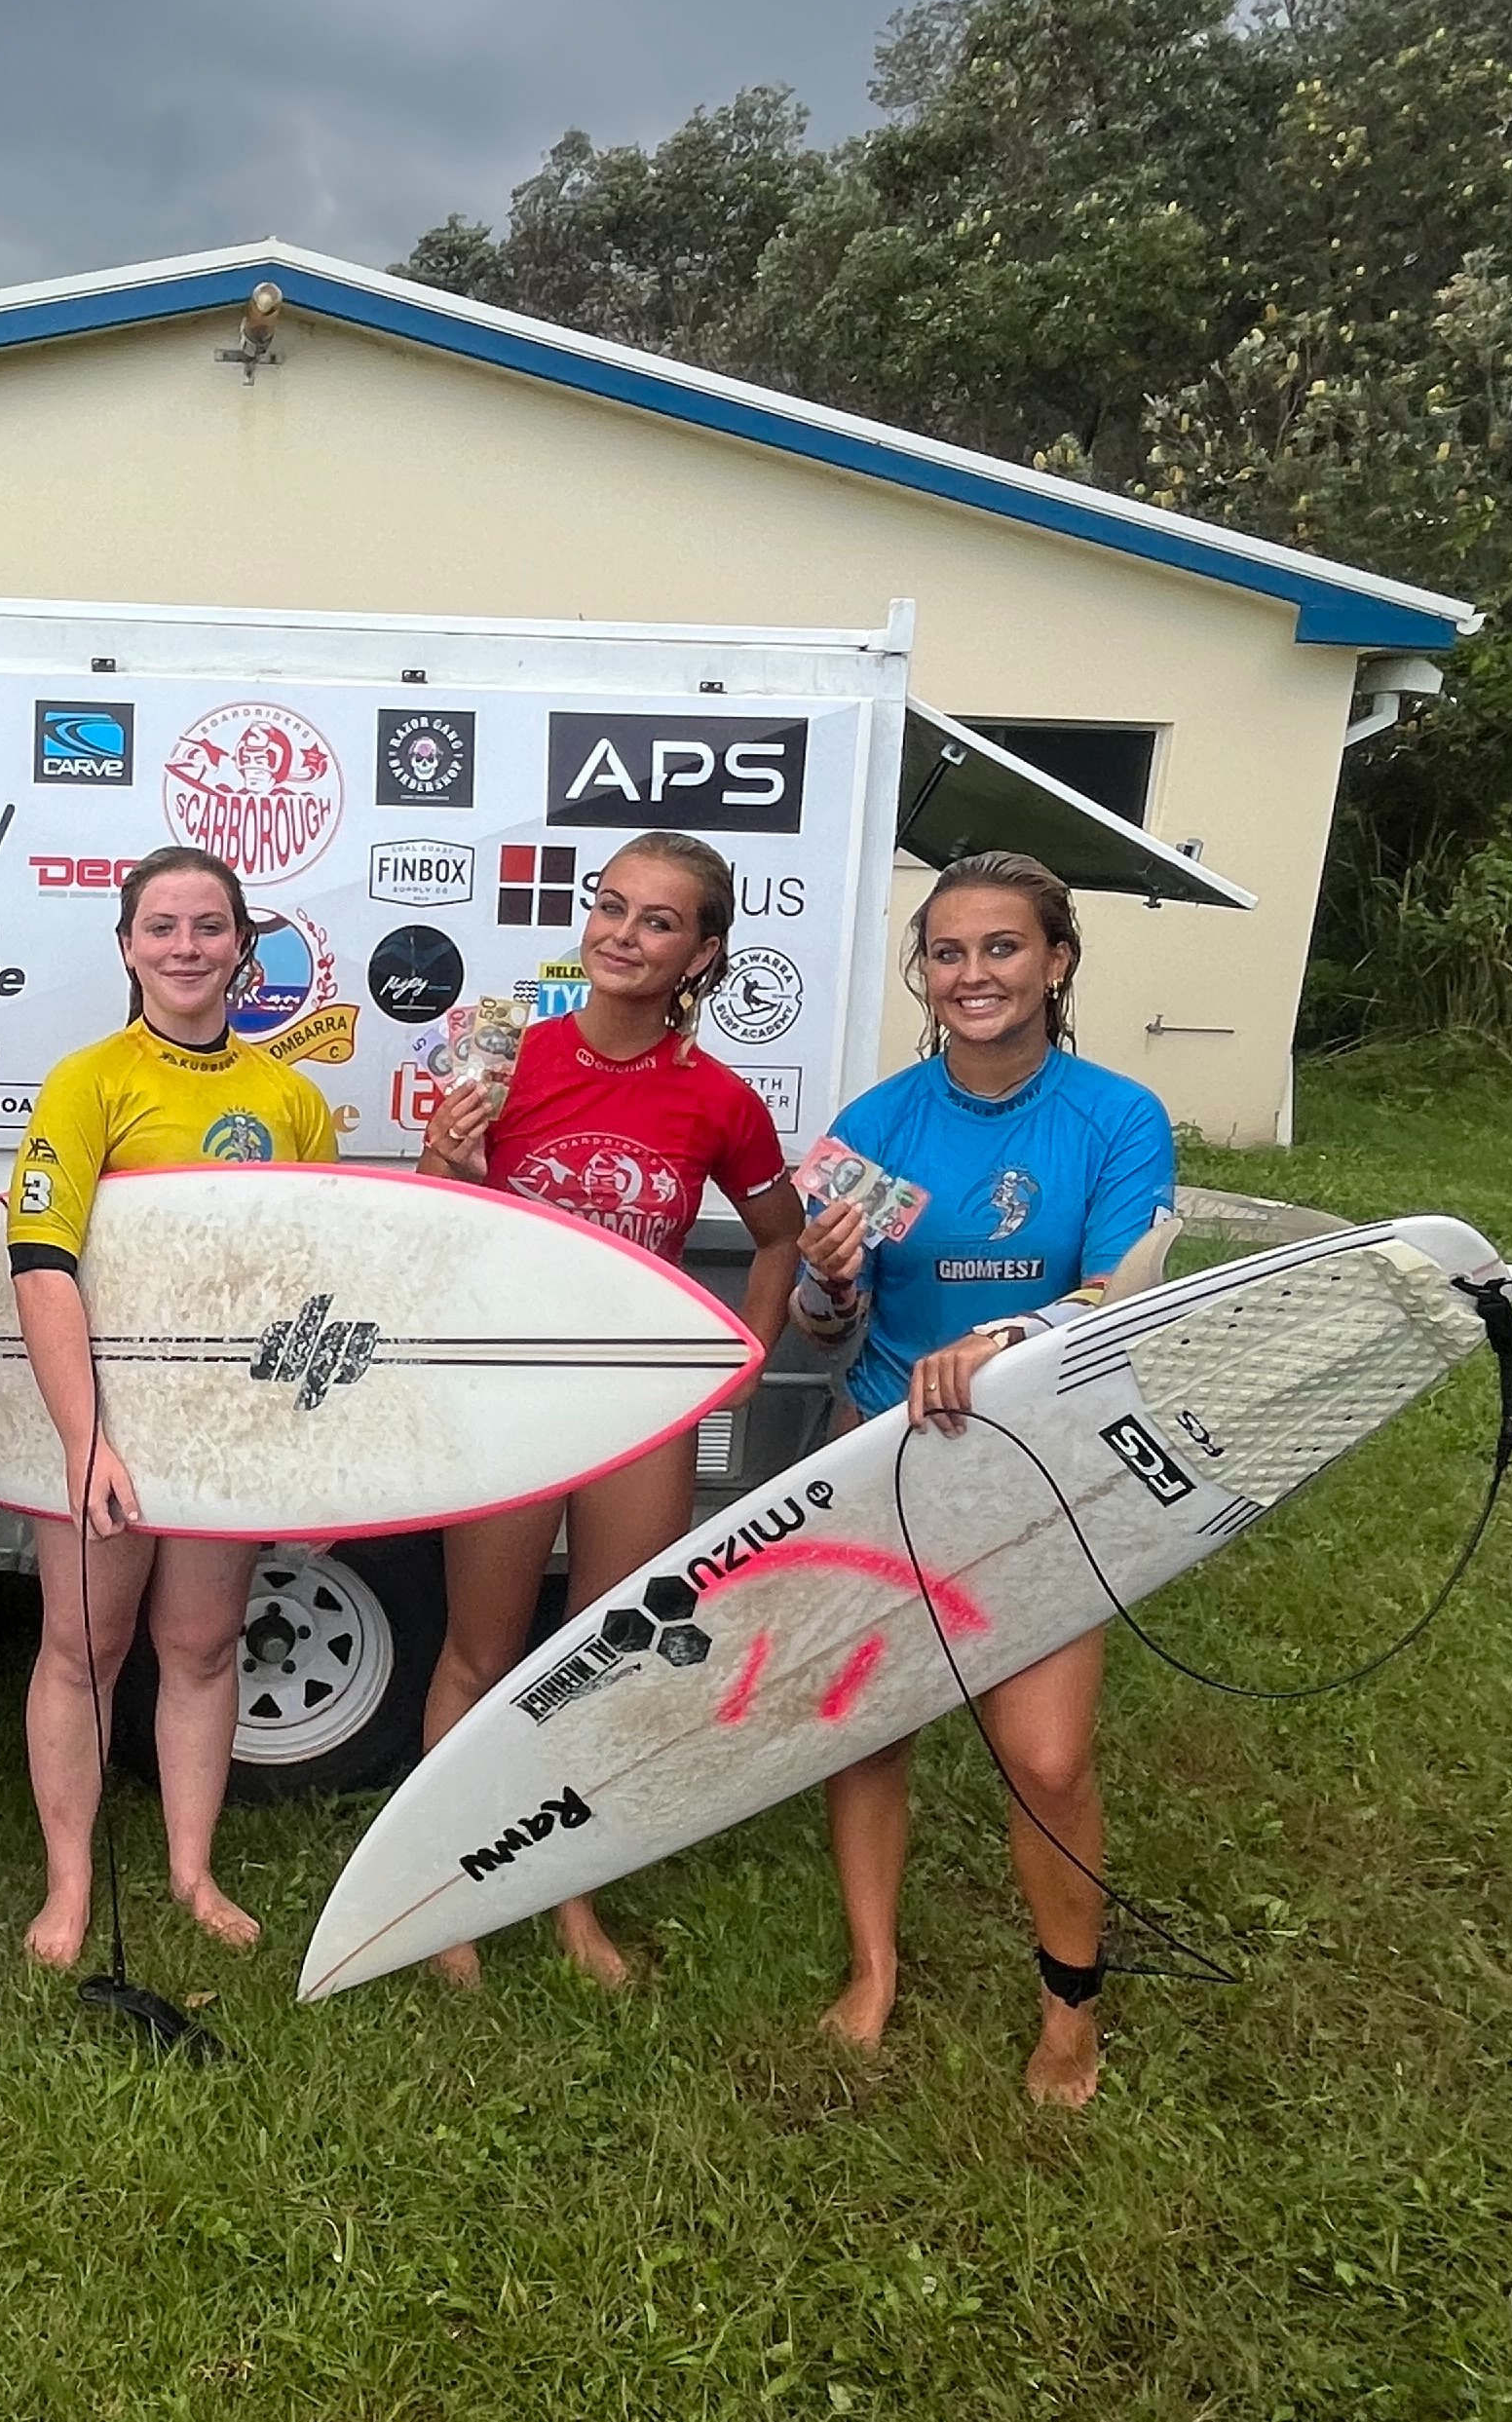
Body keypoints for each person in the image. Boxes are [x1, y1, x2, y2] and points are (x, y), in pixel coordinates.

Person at [792, 848, 1174, 2107]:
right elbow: (826, 1328)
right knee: (872, 1722)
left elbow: (1130, 1289)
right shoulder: (879, 1126)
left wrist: (1006, 1339)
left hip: (1045, 1464)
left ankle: (1071, 2013)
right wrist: (831, 1279)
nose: (973, 975)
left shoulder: (1117, 1117)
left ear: (1056, 961)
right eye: (947, 952)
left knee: (1049, 1758)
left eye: (1001, 947)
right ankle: (872, 1965)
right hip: (890, 1457)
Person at [413, 829, 802, 1987]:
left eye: (658, 920)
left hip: (643, 1401)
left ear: (702, 951)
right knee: (481, 1653)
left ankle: (573, 1904)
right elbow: (441, 1229)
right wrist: (442, 1157)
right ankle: (450, 1901)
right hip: (513, 1387)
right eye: (612, 908)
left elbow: (778, 1241)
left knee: (606, 1655)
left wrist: (747, 1356)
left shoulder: (721, 1099)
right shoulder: (508, 1060)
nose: (623, 936)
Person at [10, 845, 337, 1968]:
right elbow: (41, 1265)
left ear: (243, 946)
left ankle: (192, 1871)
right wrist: (85, 1435)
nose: (186, 947)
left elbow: (312, 1289)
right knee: (83, 1648)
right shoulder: (89, 1079)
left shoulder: (291, 1099)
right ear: (127, 948)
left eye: (208, 927)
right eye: (162, 927)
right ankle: (69, 1886)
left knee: (200, 1647)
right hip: (109, 1417)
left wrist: (300, 1446)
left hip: (227, 1424)